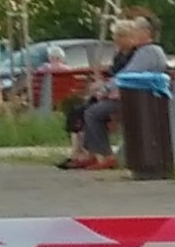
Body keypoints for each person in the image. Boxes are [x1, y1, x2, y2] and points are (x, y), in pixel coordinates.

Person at [60, 13, 168, 168]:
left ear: (147, 32)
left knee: (92, 112)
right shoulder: (147, 51)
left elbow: (126, 75)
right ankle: (94, 154)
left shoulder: (149, 52)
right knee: (91, 109)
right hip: (138, 98)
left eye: (136, 29)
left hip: (139, 101)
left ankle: (105, 155)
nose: (133, 32)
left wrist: (104, 89)